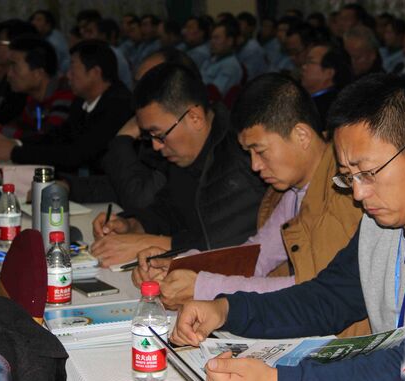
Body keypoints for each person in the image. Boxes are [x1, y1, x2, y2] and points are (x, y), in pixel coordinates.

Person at [170, 73, 405, 381]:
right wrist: (227, 310)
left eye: (368, 173)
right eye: (348, 177)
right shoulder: (385, 219)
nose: (358, 194)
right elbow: (327, 299)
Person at [133, 74, 368, 341]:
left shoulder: (343, 193)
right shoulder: (293, 188)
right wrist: (182, 266)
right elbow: (258, 255)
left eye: (260, 151)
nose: (255, 166)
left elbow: (311, 293)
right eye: (249, 153)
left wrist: (203, 286)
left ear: (301, 135)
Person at [90, 63, 266, 267]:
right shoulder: (188, 151)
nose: (156, 146)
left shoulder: (241, 153)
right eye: (150, 136)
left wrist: (147, 243)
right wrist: (132, 225)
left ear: (194, 118)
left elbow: (226, 244)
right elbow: (170, 211)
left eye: (159, 135)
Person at [0, 40, 133, 184]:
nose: (68, 75)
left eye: (73, 68)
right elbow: (57, 136)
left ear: (95, 72)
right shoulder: (82, 101)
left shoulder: (118, 106)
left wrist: (14, 152)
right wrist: (15, 143)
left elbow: (76, 154)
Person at [100, 48, 201, 212]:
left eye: (149, 85)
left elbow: (140, 201)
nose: (139, 93)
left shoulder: (178, 138)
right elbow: (121, 183)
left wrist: (123, 139)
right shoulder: (153, 129)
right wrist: (70, 186)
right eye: (137, 84)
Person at [300, 43, 352, 130]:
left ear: (329, 73)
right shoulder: (310, 101)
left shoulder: (329, 108)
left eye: (310, 62)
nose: (304, 67)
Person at [81, 18, 133, 89]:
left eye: (91, 32)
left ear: (103, 35)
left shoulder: (111, 53)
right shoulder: (103, 52)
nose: (87, 36)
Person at [200, 19, 243, 97]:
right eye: (211, 38)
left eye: (216, 38)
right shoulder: (212, 59)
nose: (212, 42)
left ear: (229, 41)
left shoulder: (231, 66)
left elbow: (215, 94)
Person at [30, 10, 69, 74]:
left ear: (48, 24)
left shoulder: (54, 40)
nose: (33, 22)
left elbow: (52, 66)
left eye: (38, 20)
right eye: (33, 20)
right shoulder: (41, 37)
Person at [236, 12, 268, 80]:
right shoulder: (241, 45)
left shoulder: (253, 48)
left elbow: (249, 76)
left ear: (251, 28)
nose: (237, 28)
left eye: (240, 24)